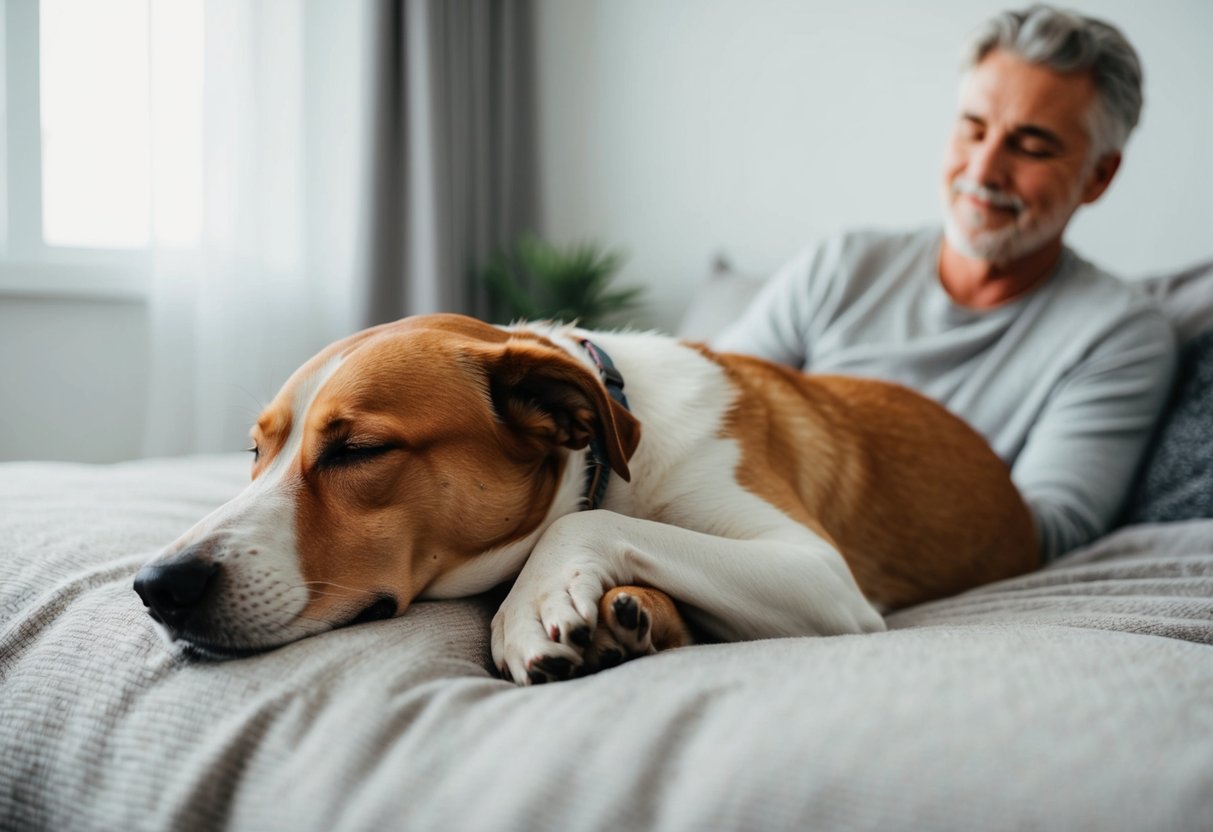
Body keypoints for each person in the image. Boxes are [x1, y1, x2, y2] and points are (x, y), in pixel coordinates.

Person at [714, 5, 1177, 562]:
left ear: (1098, 176)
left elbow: (1044, 531)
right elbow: (711, 405)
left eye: (1031, 146)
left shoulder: (1119, 334)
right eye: (972, 129)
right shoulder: (841, 265)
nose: (982, 172)